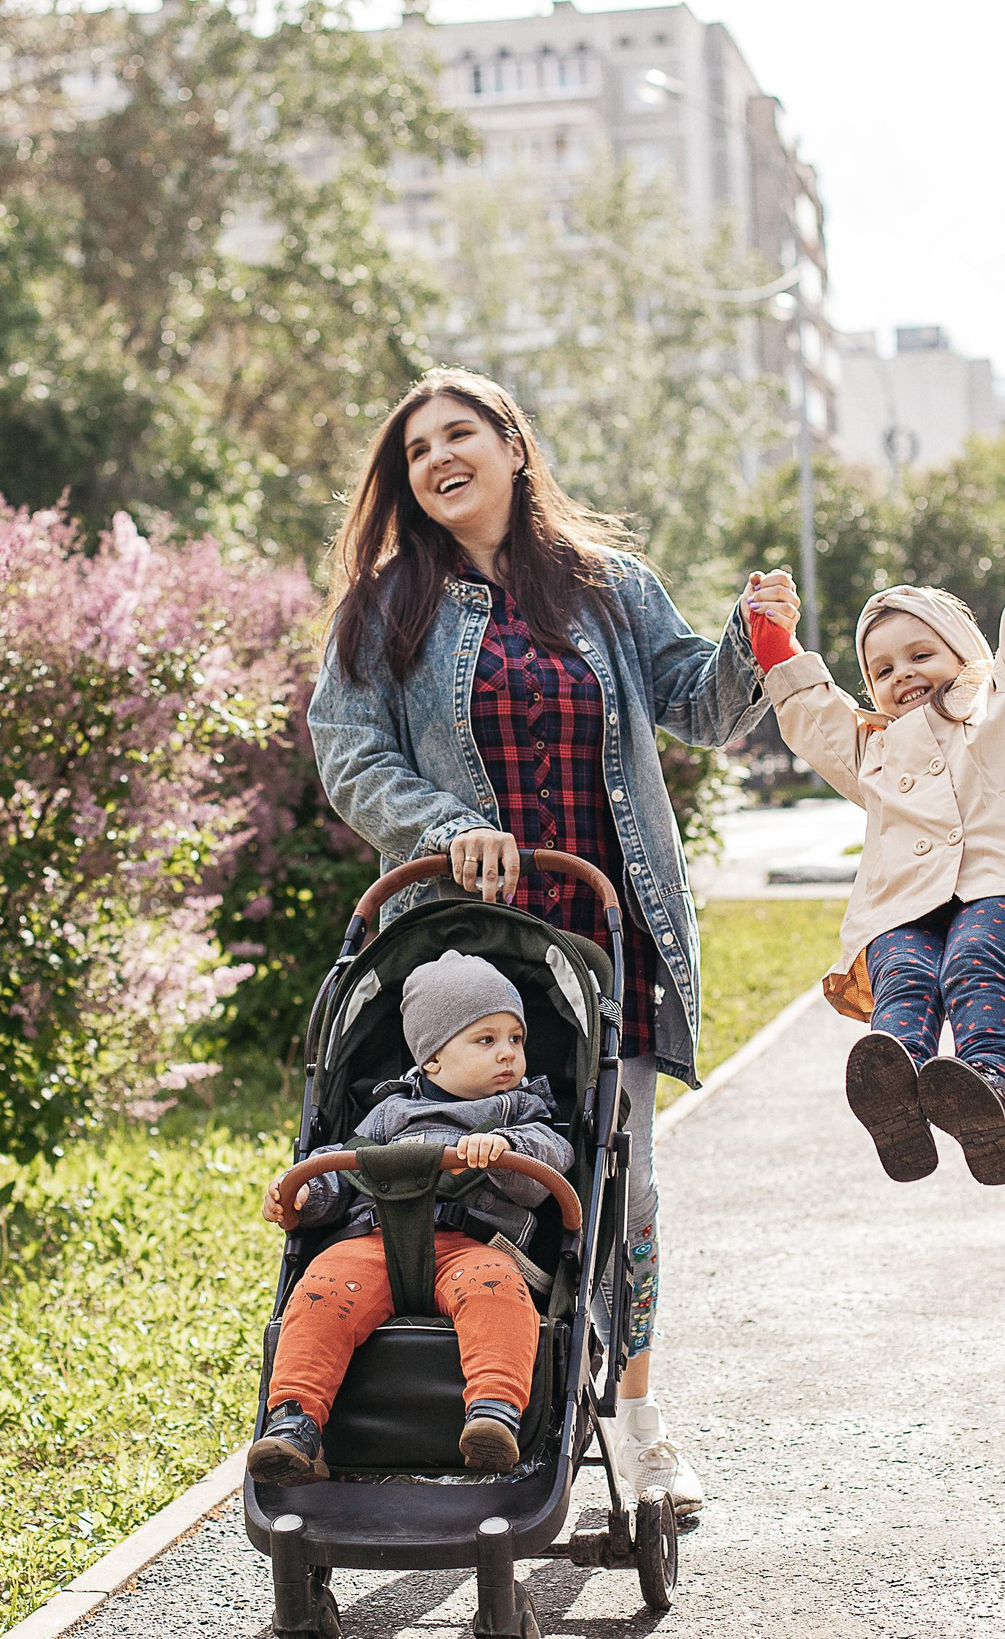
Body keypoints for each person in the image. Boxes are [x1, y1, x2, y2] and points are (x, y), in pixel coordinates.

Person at [309, 367, 795, 1515]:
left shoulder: (608, 588)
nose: (437, 459)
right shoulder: (385, 610)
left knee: (624, 1188)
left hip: (606, 935)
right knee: (470, 1168)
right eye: (416, 449)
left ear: (513, 446)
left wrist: (755, 634)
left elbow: (706, 708)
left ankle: (636, 1419)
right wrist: (451, 824)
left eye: (459, 433)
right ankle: (467, 1399)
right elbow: (349, 754)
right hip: (472, 950)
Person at [753, 504, 1005, 1186]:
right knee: (906, 977)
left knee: (976, 959)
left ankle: (987, 1089)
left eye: (921, 655)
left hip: (1003, 892)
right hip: (903, 909)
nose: (902, 674)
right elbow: (809, 712)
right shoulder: (871, 749)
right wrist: (772, 631)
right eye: (882, 669)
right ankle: (900, 1094)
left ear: (966, 656)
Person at [250, 953, 571, 1485]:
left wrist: (507, 1148)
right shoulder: (390, 1114)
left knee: (496, 1293)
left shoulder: (521, 1110)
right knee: (320, 1292)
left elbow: (549, 1164)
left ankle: (493, 1413)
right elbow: (344, 1168)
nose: (508, 1055)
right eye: (485, 1040)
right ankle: (294, 1422)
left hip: (475, 1246)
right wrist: (306, 1191)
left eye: (515, 1038)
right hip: (375, 1242)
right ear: (433, 1061)